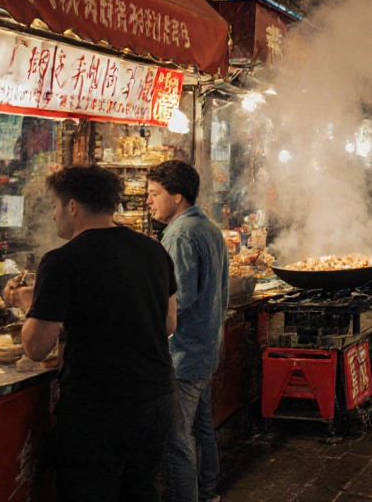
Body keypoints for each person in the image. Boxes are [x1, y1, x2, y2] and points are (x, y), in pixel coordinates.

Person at [22, 166, 177, 501]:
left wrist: (32, 306)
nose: (52, 215)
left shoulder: (61, 261)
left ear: (73, 207)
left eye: (54, 205)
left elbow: (36, 346)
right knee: (141, 492)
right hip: (156, 400)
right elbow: (168, 324)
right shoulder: (154, 251)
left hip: (98, 409)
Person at [145, 161, 228, 502]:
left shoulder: (179, 234)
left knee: (175, 441)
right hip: (206, 348)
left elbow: (179, 300)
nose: (149, 201)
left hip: (183, 354)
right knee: (202, 426)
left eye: (154, 194)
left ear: (176, 196)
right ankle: (209, 490)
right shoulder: (207, 225)